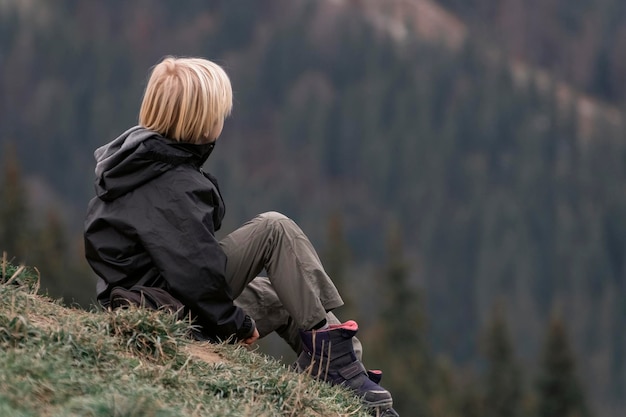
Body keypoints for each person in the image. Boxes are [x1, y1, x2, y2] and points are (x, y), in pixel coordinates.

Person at [83, 56, 397, 416]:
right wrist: (236, 323)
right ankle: (340, 367)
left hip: (164, 302)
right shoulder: (172, 185)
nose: (223, 120)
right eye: (219, 113)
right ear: (201, 121)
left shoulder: (139, 166)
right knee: (274, 229)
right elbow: (196, 274)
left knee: (285, 294)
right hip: (170, 312)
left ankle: (347, 375)